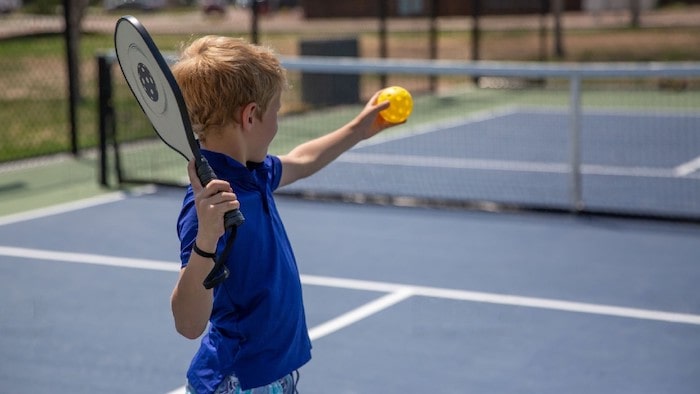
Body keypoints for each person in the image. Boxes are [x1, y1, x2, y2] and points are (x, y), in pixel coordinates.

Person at [169, 35, 402, 394]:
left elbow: (302, 161)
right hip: (238, 383)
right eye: (275, 111)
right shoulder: (209, 205)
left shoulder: (253, 172)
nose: (276, 123)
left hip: (273, 377)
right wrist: (205, 242)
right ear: (251, 116)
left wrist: (359, 129)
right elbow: (188, 323)